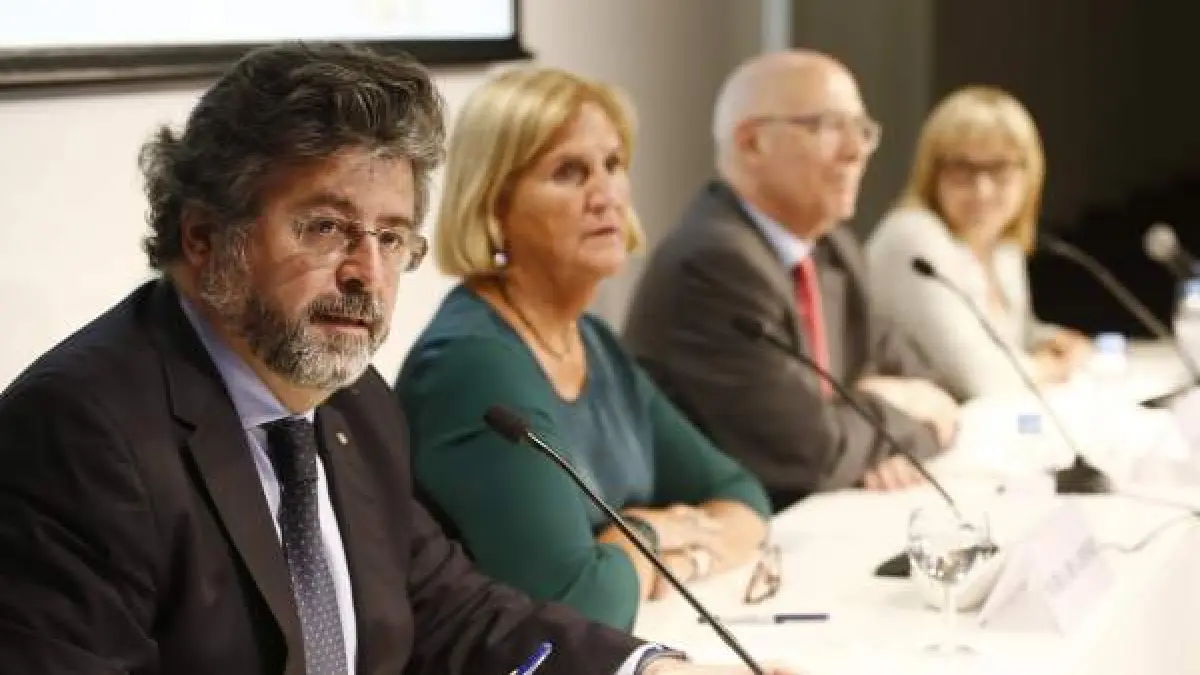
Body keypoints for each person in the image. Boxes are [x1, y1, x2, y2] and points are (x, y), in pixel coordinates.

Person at [0, 44, 796, 675]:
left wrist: (650, 668)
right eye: (325, 227)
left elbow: (452, 610)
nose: (367, 273)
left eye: (390, 236)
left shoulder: (355, 404)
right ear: (205, 238)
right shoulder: (80, 433)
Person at [395, 66, 771, 631]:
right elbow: (573, 605)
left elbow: (741, 496)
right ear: (494, 205)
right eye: (568, 172)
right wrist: (650, 531)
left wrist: (670, 559)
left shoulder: (591, 340)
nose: (606, 195)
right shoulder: (472, 364)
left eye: (613, 165)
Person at [623, 50, 959, 511]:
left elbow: (927, 380)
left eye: (862, 129)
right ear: (751, 144)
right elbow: (812, 453)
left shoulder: (831, 248)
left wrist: (876, 420)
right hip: (733, 533)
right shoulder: (713, 263)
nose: (856, 151)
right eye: (828, 126)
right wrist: (908, 424)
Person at [866, 85, 1091, 400]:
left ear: (1029, 175)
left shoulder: (1002, 247)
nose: (982, 190)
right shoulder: (913, 237)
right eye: (963, 169)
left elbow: (1010, 338)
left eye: (1000, 169)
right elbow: (978, 379)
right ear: (931, 173)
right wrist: (1049, 367)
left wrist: (1052, 340)